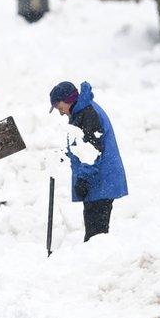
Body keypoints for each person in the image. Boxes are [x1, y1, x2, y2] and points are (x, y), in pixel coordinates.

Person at [49, 81, 128, 241]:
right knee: (95, 234)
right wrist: (64, 155)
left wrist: (84, 179)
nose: (60, 112)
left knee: (96, 237)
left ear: (67, 100)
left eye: (59, 107)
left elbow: (93, 151)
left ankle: (98, 264)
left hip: (100, 182)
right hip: (97, 182)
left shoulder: (87, 113)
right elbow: (81, 146)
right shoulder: (81, 111)